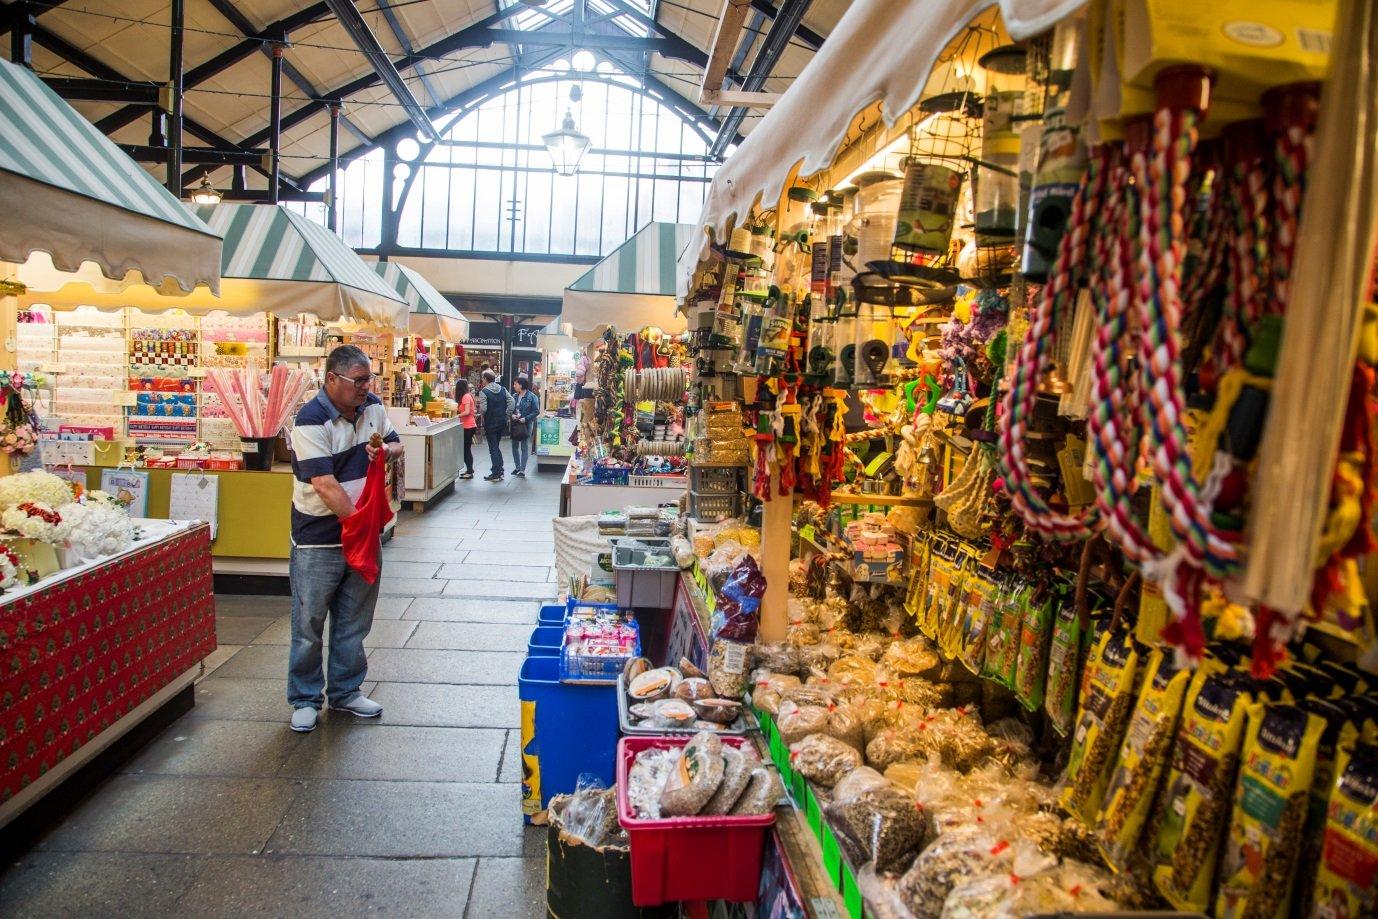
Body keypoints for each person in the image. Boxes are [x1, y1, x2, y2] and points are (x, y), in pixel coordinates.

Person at [286, 345, 403, 733]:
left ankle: (346, 690)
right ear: (332, 379)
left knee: (354, 619)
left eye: (369, 378)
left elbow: (397, 443)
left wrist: (383, 450)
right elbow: (323, 483)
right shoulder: (311, 419)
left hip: (362, 534)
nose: (366, 386)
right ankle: (305, 697)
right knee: (309, 622)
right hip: (319, 538)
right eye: (359, 380)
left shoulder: (372, 408)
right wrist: (357, 526)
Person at [478, 368, 514, 482]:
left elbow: (484, 409)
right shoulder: (503, 389)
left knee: (493, 448)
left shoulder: (484, 391)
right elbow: (512, 402)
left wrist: (481, 414)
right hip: (502, 422)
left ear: (485, 378)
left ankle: (496, 473)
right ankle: (500, 470)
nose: (482, 380)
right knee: (496, 446)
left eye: (482, 378)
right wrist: (507, 415)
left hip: (490, 422)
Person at [510, 375, 540, 477]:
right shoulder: (514, 396)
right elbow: (511, 409)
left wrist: (526, 418)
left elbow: (536, 411)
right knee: (514, 446)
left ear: (521, 385)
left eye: (515, 384)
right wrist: (512, 415)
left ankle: (522, 470)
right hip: (516, 423)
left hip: (526, 424)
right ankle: (517, 467)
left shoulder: (532, 397)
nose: (514, 386)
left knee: (524, 446)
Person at [456, 378, 477, 480]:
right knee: (466, 449)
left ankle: (470, 471)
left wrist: (457, 416)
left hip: (468, 426)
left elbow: (467, 411)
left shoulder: (466, 397)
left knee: (466, 449)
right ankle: (469, 470)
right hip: (468, 426)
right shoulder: (467, 396)